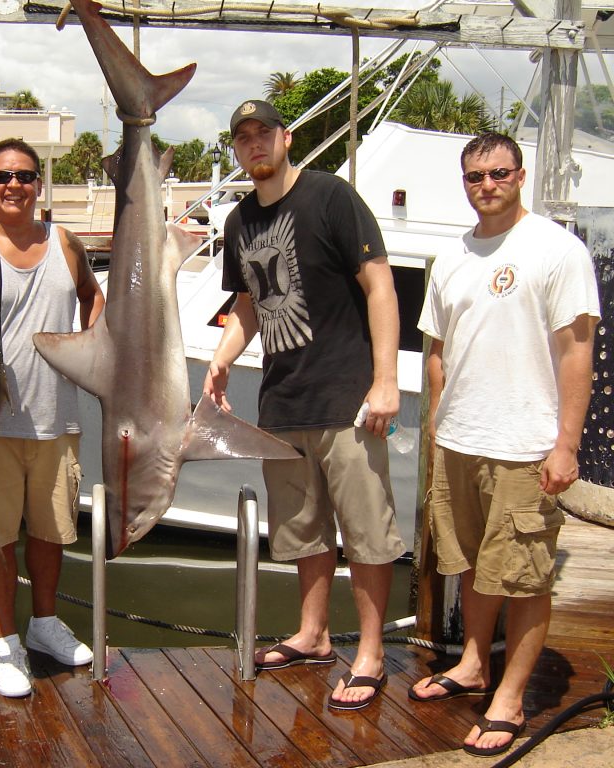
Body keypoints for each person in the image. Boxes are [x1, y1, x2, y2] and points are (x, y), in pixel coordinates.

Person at [202, 100, 406, 710]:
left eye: (263, 132)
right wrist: (221, 356)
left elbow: (379, 283)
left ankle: (369, 654)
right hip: (282, 402)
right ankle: (313, 634)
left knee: (366, 532)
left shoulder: (330, 197)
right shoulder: (239, 221)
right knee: (302, 529)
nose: (254, 144)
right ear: (237, 150)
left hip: (348, 398)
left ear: (285, 138)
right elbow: (247, 303)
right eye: (242, 138)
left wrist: (387, 379)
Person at [409, 132, 600, 757]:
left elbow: (578, 351)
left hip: (526, 445)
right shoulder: (452, 256)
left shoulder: (558, 250)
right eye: (474, 176)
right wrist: (436, 426)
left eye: (498, 173)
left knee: (524, 575)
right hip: (460, 441)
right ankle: (471, 665)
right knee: (477, 568)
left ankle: (510, 698)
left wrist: (566, 445)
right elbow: (437, 351)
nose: (486, 185)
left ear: (521, 175)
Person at [0, 138, 104, 698]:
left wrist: (91, 348)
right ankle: (6, 640)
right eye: (2, 176)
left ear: (38, 186)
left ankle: (44, 624)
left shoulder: (65, 243)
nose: (14, 186)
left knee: (50, 532)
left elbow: (91, 296)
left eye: (25, 177)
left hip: (58, 418)